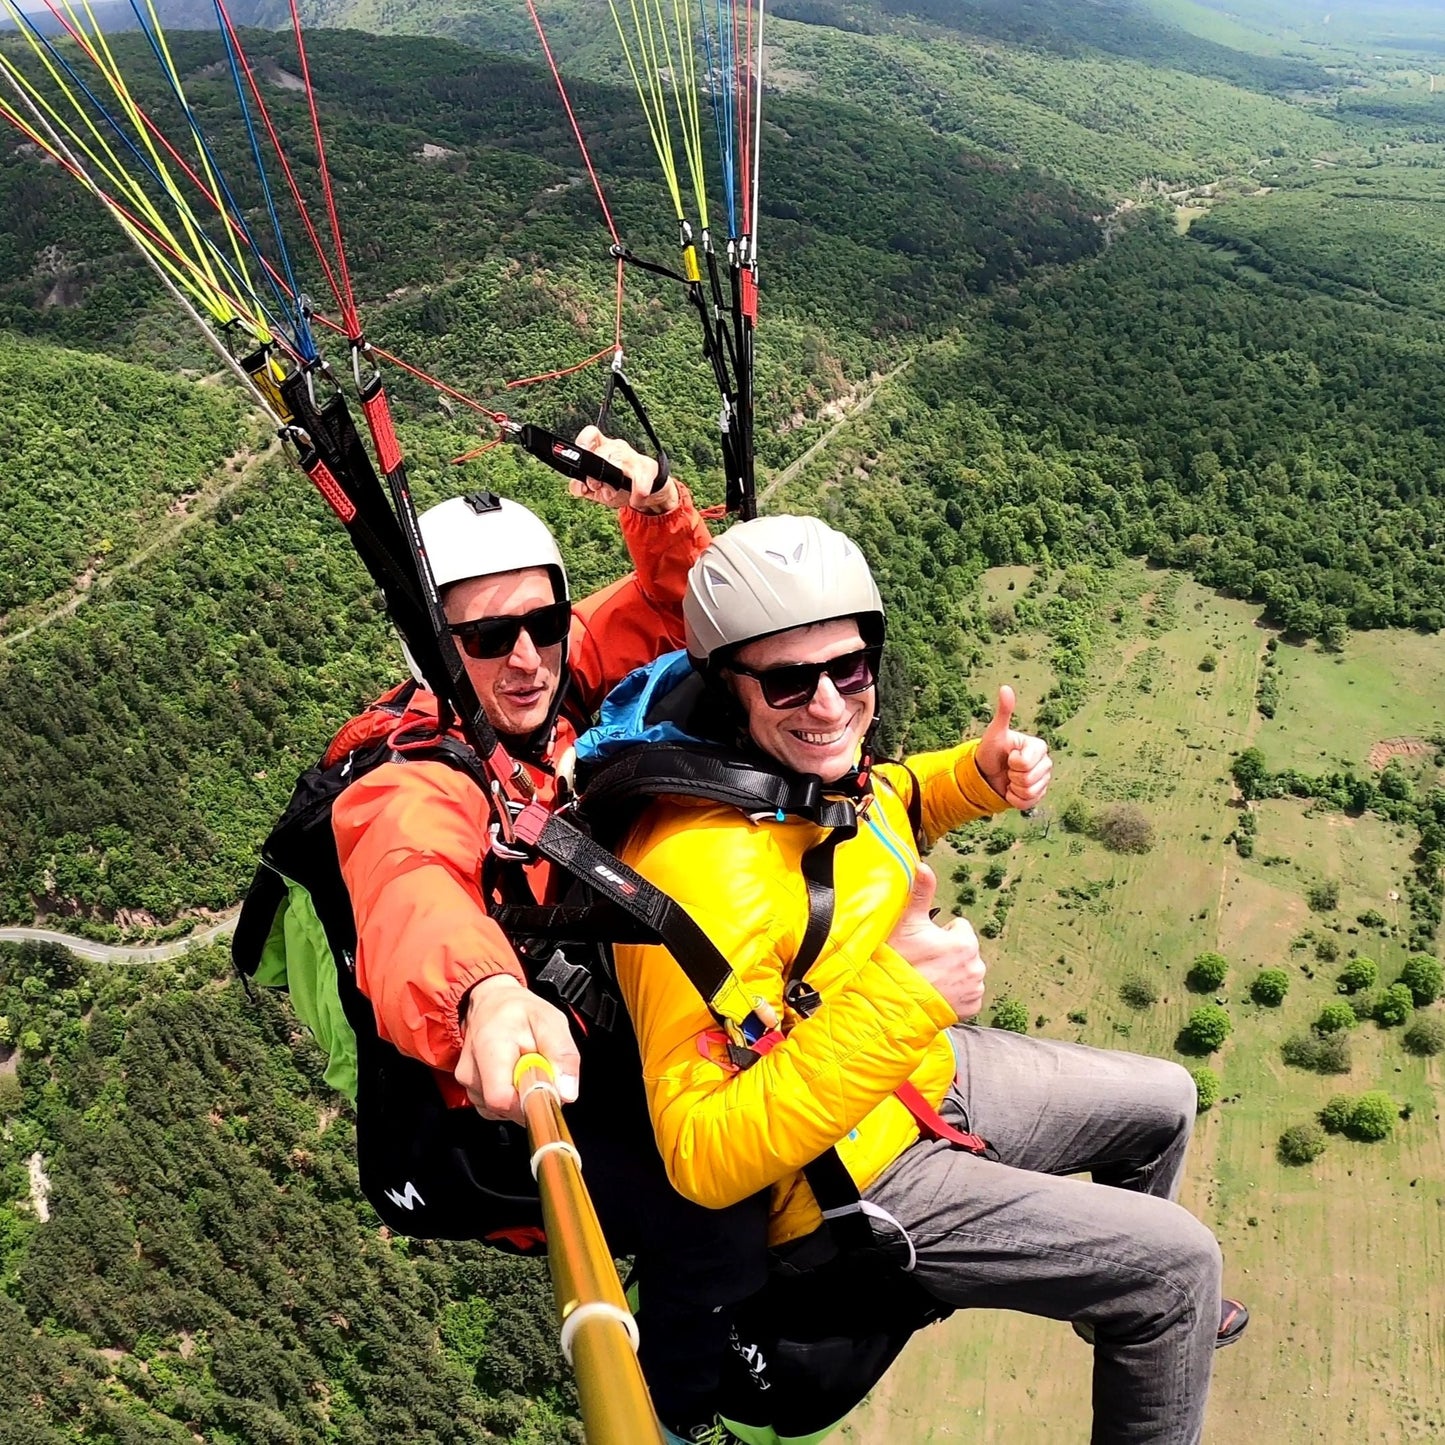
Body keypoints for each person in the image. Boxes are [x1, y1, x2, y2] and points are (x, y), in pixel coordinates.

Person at [596, 514, 1246, 1445]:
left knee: (1166, 1100)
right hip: (848, 1176)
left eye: (848, 669)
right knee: (1180, 1264)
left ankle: (1126, 1308)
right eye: (788, 678)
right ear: (726, 683)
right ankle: (1153, 1302)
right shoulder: (699, 872)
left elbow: (885, 800)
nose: (827, 703)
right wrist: (906, 996)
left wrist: (974, 776)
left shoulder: (793, 772)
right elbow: (699, 1154)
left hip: (910, 1075)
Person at [330, 432, 771, 1430]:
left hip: (584, 1025)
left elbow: (677, 612)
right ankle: (681, 1405)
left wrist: (656, 504)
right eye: (487, 638)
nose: (524, 655)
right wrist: (483, 993)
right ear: (435, 649)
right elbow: (411, 883)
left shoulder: (547, 691)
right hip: (489, 1097)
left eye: (540, 621)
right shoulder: (417, 775)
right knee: (707, 1198)